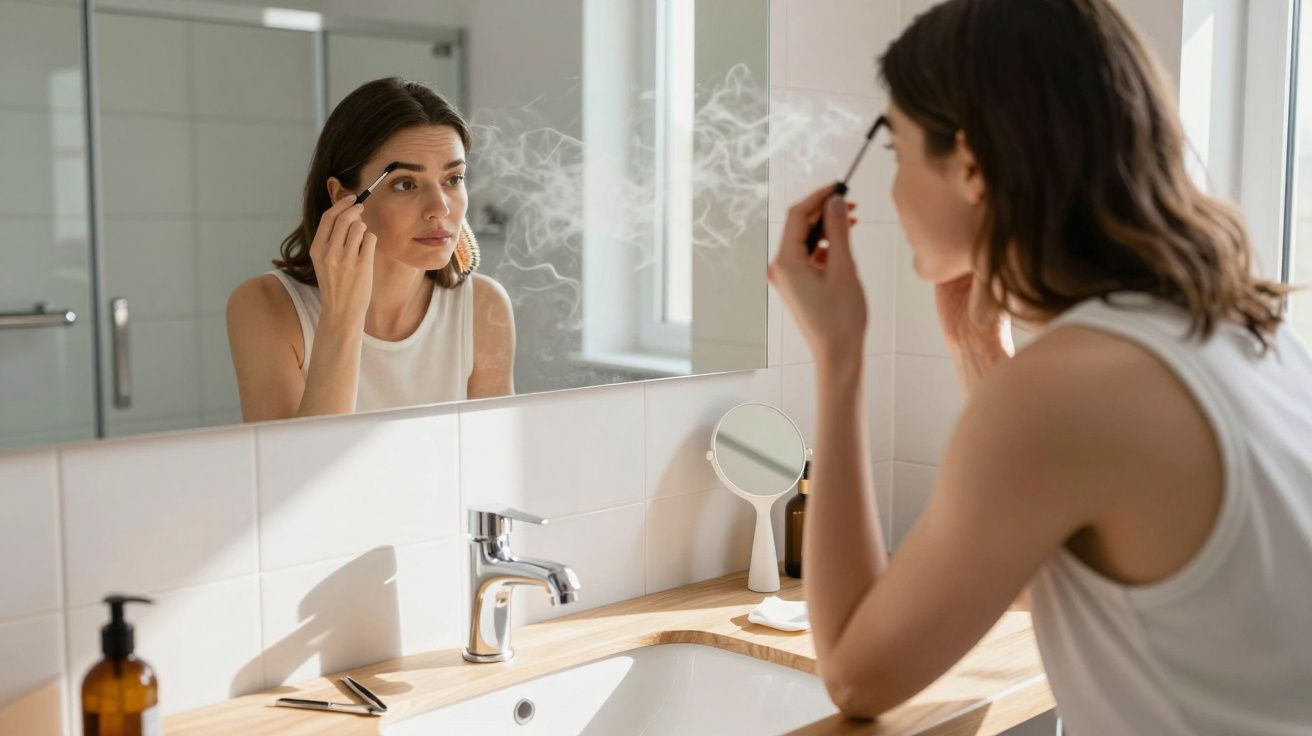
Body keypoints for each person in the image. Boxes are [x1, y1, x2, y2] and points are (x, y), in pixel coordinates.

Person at [768, 1, 1312, 733]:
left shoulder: (1066, 393)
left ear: (971, 167)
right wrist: (976, 349)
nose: (890, 194)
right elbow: (1036, 577)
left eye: (895, 153)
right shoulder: (1242, 331)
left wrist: (839, 360)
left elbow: (857, 674)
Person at [228, 78, 514, 421]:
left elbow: (492, 461)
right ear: (341, 197)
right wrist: (343, 314)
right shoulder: (265, 306)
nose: (440, 208)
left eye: (453, 179)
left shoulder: (483, 308)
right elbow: (294, 469)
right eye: (405, 184)